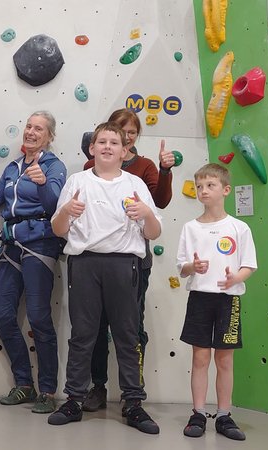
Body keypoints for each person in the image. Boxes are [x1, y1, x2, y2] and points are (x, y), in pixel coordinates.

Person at [48, 122, 162, 434]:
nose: (108, 146)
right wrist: (66, 211)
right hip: (84, 263)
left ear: (125, 151)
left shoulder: (135, 185)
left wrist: (147, 215)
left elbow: (153, 232)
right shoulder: (76, 182)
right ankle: (73, 399)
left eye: (115, 142)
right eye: (102, 142)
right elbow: (58, 230)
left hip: (124, 264)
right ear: (92, 148)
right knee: (83, 334)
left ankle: (134, 403)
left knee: (127, 335)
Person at [81, 108, 175, 412]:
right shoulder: (90, 168)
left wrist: (164, 171)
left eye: (132, 131)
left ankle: (134, 393)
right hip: (94, 262)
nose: (127, 135)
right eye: (122, 129)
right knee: (95, 328)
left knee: (132, 327)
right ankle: (97, 387)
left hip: (134, 261)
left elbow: (158, 202)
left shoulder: (145, 166)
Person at [0, 111, 66, 414]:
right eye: (28, 126)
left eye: (38, 128)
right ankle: (24, 384)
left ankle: (47, 390)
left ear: (49, 136)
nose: (31, 132)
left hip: (40, 243)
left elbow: (55, 206)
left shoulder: (53, 166)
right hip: (10, 244)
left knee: (40, 319)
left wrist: (42, 183)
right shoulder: (13, 166)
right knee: (2, 316)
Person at [176, 163, 255, 441]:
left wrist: (235, 278)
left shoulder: (239, 227)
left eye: (210, 185)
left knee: (224, 359)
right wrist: (192, 267)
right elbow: (182, 267)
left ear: (226, 190)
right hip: (199, 297)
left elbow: (249, 265)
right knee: (199, 357)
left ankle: (224, 415)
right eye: (199, 186)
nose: (203, 191)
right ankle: (198, 412)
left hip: (228, 300)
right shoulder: (190, 227)